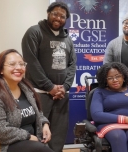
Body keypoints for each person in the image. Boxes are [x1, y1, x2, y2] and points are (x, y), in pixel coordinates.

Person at [21, 1, 77, 152]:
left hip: (61, 95)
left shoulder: (68, 39)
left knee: (58, 134)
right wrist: (49, 87)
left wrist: (64, 88)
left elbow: (72, 65)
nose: (58, 18)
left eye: (63, 16)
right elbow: (31, 63)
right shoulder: (34, 32)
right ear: (48, 14)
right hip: (39, 95)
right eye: (55, 14)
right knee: (39, 133)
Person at [0, 49, 53, 152]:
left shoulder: (26, 88)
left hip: (33, 142)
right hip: (7, 144)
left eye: (22, 64)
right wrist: (27, 136)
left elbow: (38, 112)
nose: (18, 68)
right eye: (12, 64)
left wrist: (44, 124)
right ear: (1, 70)